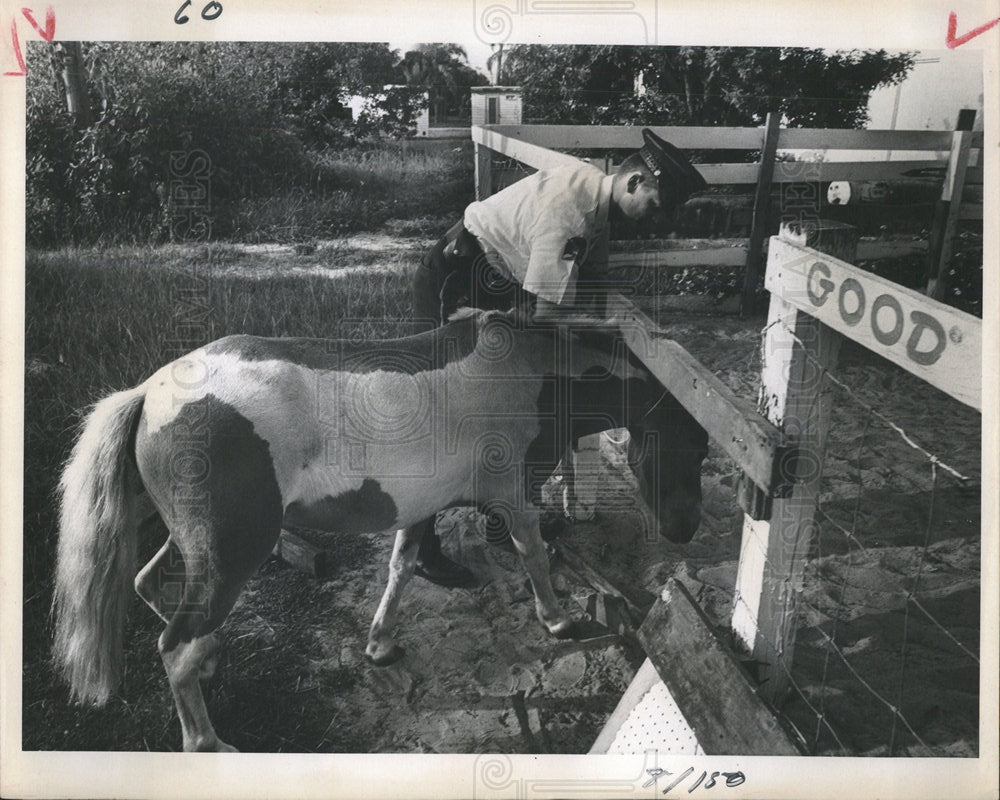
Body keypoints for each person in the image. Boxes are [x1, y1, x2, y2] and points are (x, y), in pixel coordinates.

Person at [410, 129, 707, 588]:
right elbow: (547, 317)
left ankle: (501, 521)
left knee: (535, 403)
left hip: (492, 278)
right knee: (446, 416)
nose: (653, 219)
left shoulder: (595, 199)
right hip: (455, 281)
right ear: (634, 182)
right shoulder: (571, 210)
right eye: (653, 205)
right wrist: (605, 336)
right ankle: (420, 552)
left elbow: (576, 287)